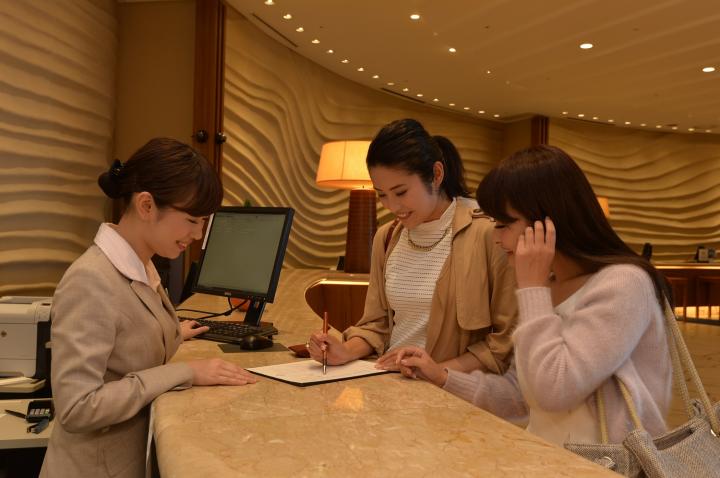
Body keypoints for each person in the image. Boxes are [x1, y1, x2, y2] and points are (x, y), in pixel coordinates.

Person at [391, 144, 673, 446]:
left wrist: (532, 290)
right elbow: (521, 394)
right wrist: (442, 376)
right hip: (553, 458)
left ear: (548, 222)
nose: (496, 237)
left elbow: (554, 390)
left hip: (609, 464)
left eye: (504, 224)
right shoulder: (546, 286)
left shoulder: (623, 284)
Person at [40, 138, 257, 478]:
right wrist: (186, 372)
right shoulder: (90, 280)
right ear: (146, 205)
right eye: (192, 220)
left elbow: (125, 334)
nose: (198, 234)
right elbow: (77, 408)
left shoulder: (142, 264)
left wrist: (172, 331)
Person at [308, 119, 517, 374]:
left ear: (436, 175)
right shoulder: (386, 237)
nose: (392, 206)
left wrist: (434, 372)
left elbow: (504, 343)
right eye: (382, 194)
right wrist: (344, 351)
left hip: (451, 391)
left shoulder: (488, 234)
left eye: (401, 192)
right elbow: (376, 325)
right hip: (391, 382)